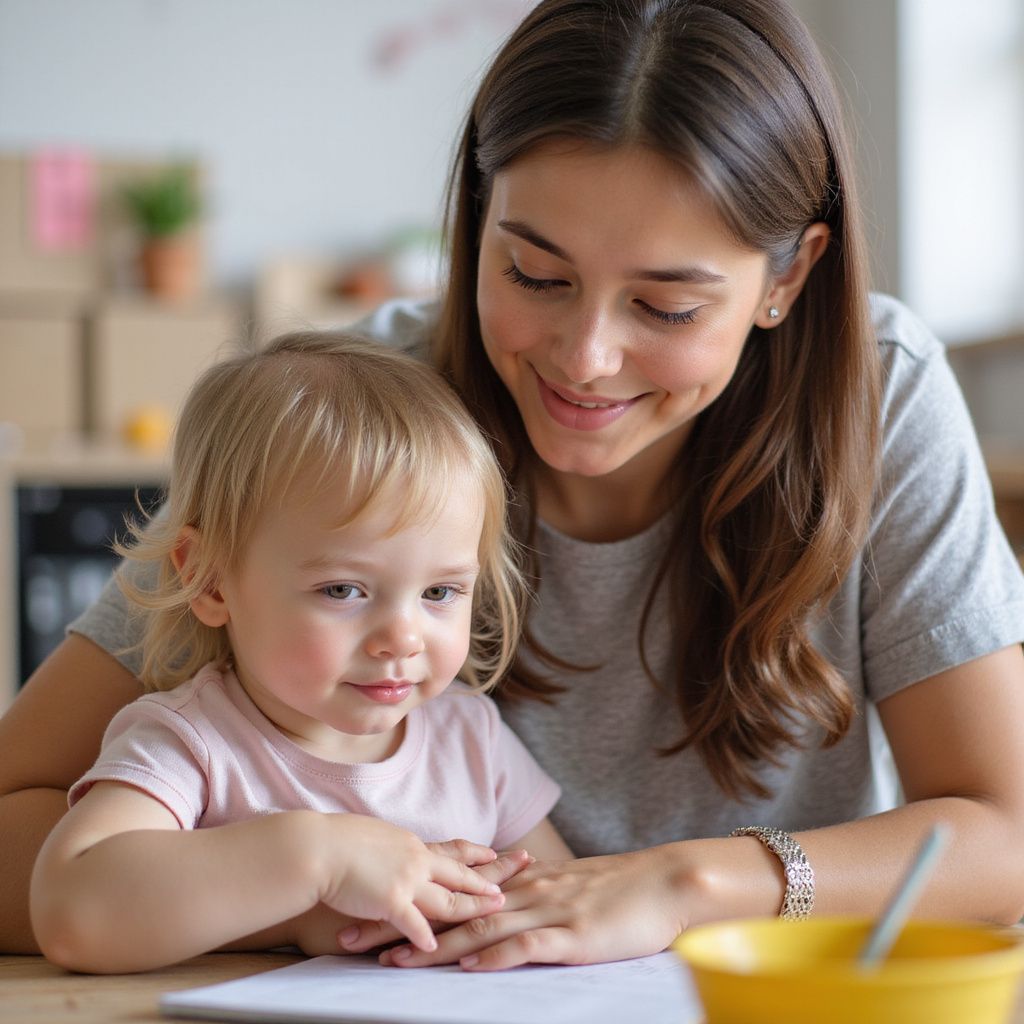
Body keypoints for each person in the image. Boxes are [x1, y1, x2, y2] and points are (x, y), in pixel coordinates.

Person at [4, 0, 1024, 970]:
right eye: (535, 275)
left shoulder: (876, 392)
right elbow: (22, 811)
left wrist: (688, 884)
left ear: (787, 278)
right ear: (476, 219)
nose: (584, 358)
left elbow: (1005, 837)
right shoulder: (355, 420)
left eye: (665, 307)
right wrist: (304, 902)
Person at [28, 332, 570, 974]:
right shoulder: (192, 746)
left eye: (440, 591)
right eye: (343, 589)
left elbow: (562, 903)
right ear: (209, 580)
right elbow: (70, 911)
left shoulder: (473, 741)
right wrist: (314, 860)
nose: (403, 637)